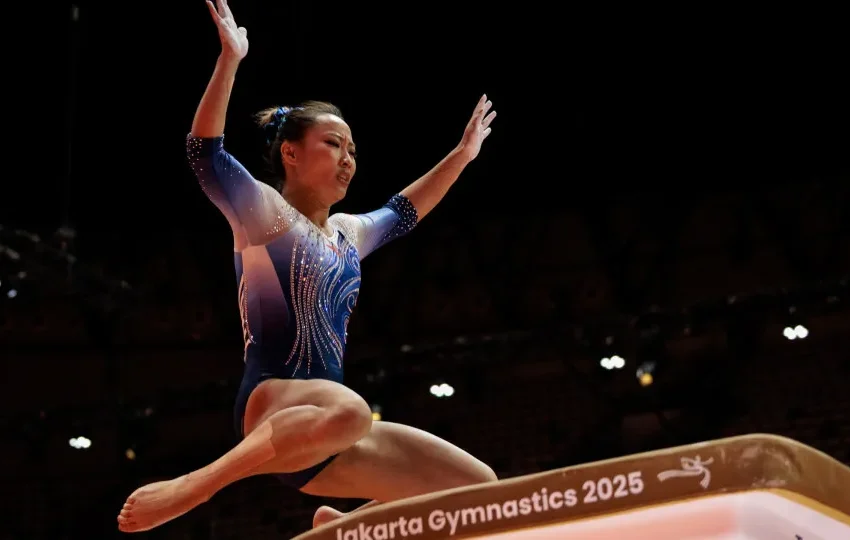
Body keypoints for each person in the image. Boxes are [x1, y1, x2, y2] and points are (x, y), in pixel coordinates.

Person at [117, 0, 498, 533]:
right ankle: (196, 486)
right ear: (291, 154)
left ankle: (342, 526)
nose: (348, 158)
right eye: (333, 144)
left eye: (353, 150)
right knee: (355, 412)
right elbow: (204, 153)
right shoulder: (266, 216)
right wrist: (230, 60)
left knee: (482, 490)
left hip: (327, 433)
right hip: (272, 404)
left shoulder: (347, 234)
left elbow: (404, 211)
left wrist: (461, 155)